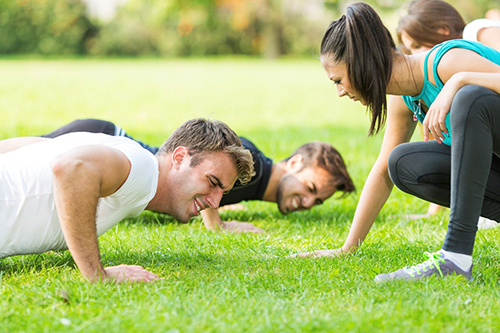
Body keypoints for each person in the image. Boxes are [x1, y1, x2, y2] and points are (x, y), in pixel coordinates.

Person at [296, 2, 500, 282]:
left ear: (360, 63)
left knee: (470, 97)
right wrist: (347, 248)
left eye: (339, 80)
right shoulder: (405, 98)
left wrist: (458, 81)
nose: (340, 92)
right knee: (402, 163)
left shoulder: (447, 61)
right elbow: (382, 172)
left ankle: (456, 256)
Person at [0, 118, 254, 283]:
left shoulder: (122, 151)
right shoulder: (142, 169)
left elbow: (31, 147)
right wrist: (97, 274)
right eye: (212, 182)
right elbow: (71, 167)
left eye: (223, 192)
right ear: (179, 158)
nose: (215, 201)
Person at [42, 119, 356, 233]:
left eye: (317, 202)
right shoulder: (256, 164)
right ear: (296, 162)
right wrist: (217, 224)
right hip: (104, 140)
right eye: (311, 187)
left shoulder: (257, 183)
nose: (308, 201)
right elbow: (221, 150)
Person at [396, 0, 500, 228]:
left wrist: (460, 78)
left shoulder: (477, 32)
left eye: (416, 45)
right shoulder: (430, 85)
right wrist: (434, 209)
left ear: (442, 31)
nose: (414, 55)